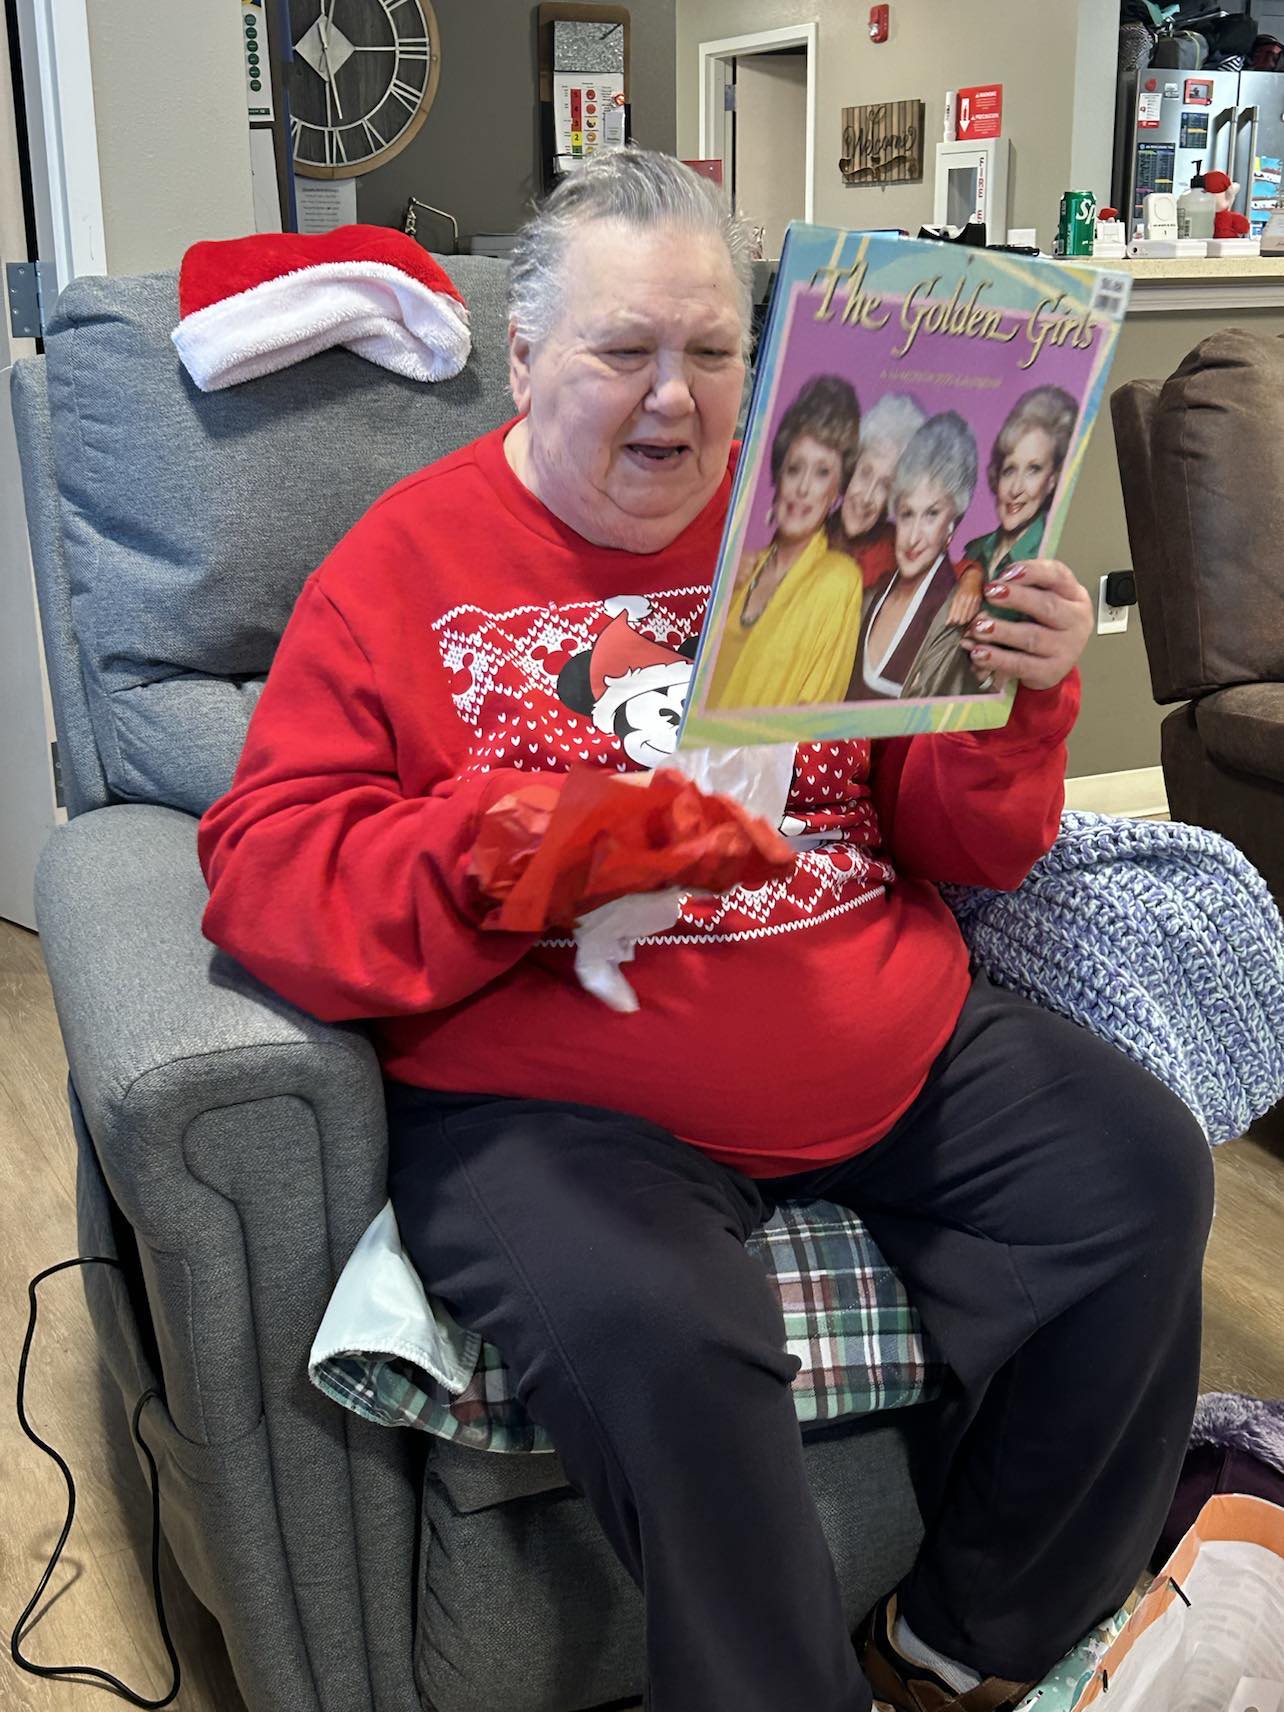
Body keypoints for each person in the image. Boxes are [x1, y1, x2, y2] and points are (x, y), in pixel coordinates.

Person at [198, 150, 1213, 1712]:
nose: (674, 399)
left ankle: (964, 1647)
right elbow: (265, 873)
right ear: (523, 359)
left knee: (1142, 1166)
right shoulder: (394, 571)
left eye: (715, 352)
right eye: (623, 352)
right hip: (556, 1105)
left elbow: (966, 842)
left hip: (888, 1028)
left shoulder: (820, 531)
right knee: (671, 1342)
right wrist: (538, 849)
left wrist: (1019, 696)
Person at [708, 373, 863, 709]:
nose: (804, 488)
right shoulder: (741, 566)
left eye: (822, 473)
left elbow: (814, 719)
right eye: (795, 469)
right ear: (778, 476)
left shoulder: (839, 579)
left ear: (836, 493)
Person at [854, 411, 984, 702]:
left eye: (931, 514)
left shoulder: (956, 616)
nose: (913, 537)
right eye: (907, 513)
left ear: (953, 523)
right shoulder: (869, 595)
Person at [832, 394, 983, 635]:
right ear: (852, 466)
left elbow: (941, 567)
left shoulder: (894, 544)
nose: (867, 496)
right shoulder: (813, 529)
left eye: (885, 485)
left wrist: (971, 578)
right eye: (865, 473)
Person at [962, 385, 1080, 585]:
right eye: (1009, 470)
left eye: (1033, 469)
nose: (1016, 489)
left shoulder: (1052, 558)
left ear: (1052, 480)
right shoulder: (973, 552)